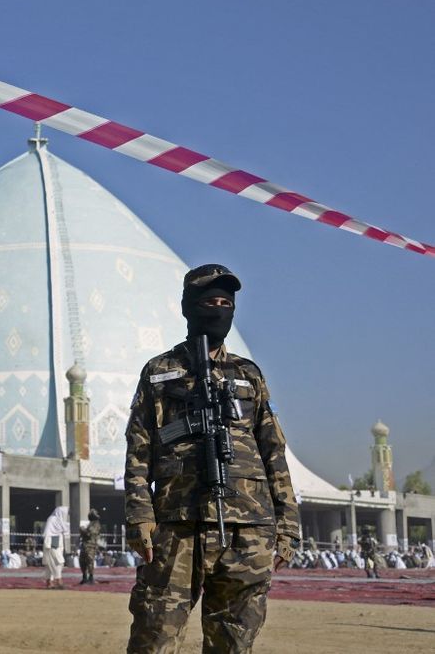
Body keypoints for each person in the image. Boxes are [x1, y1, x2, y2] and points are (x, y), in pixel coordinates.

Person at [123, 264, 300, 653]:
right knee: (154, 637)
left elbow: (273, 451)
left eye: (225, 303)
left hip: (248, 528)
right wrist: (139, 514)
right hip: (177, 524)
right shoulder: (160, 373)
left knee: (234, 642)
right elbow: (139, 449)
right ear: (188, 308)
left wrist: (287, 526)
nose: (218, 309)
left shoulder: (247, 375)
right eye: (208, 302)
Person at [42, 506, 69, 589]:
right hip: (51, 543)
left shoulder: (60, 522)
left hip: (56, 543)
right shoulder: (52, 519)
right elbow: (48, 533)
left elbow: (64, 531)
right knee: (59, 562)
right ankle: (58, 581)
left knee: (50, 564)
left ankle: (49, 582)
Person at [78, 508, 102, 584]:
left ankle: (91, 578)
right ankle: (84, 577)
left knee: (89, 561)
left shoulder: (96, 524)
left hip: (91, 546)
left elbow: (89, 533)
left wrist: (82, 529)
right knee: (82, 561)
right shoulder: (90, 524)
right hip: (85, 545)